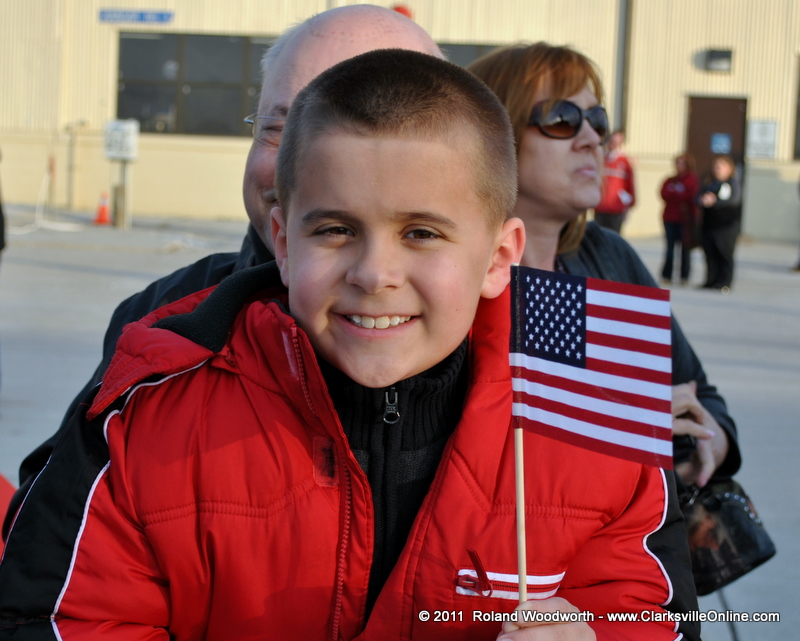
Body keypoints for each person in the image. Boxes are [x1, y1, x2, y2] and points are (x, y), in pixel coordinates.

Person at [0, 49, 698, 641]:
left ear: (498, 257)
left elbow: (654, 610)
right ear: (282, 240)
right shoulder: (150, 412)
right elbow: (57, 616)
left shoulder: (589, 401)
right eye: (335, 230)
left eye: (421, 233)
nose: (374, 273)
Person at [2, 3, 444, 541]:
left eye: (365, 131)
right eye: (280, 128)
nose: (308, 166)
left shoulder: (517, 351)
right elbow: (51, 537)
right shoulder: (162, 321)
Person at [468, 43, 739, 492]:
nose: (592, 139)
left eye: (597, 120)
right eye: (561, 118)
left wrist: (713, 442)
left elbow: (698, 392)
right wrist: (621, 428)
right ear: (496, 137)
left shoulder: (608, 254)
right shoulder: (456, 276)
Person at [698, 154, 742, 292]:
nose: (717, 169)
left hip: (726, 227)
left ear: (729, 169)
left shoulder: (733, 184)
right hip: (710, 225)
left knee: (724, 254)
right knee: (710, 254)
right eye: (715, 166)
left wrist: (715, 202)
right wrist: (702, 200)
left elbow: (733, 200)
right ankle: (711, 281)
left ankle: (724, 282)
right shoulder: (709, 183)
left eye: (721, 166)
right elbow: (697, 197)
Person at [660, 152, 700, 285]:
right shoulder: (671, 179)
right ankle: (667, 275)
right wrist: (677, 193)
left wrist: (676, 193)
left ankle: (684, 276)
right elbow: (664, 193)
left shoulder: (691, 179)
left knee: (685, 249)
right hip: (670, 218)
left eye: (682, 163)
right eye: (678, 163)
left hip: (685, 219)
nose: (679, 165)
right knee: (670, 248)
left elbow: (689, 196)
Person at [592, 129, 635, 233]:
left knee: (613, 236)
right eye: (611, 141)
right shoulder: (601, 158)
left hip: (616, 209)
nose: (613, 145)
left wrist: (629, 205)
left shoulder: (624, 161)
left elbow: (630, 185)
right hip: (600, 207)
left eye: (617, 142)